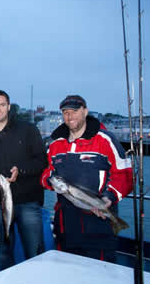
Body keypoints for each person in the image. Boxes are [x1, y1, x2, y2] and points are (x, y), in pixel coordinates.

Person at [40, 95, 133, 262]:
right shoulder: (55, 144)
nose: (70, 117)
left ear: (85, 111)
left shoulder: (105, 140)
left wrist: (108, 197)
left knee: (102, 274)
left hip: (99, 221)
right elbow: (45, 172)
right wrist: (50, 181)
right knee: (68, 272)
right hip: (66, 223)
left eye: (74, 111)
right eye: (66, 112)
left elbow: (124, 175)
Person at [0, 89, 47, 270]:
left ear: (9, 107)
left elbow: (42, 161)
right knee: (3, 254)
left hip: (28, 203)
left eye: (2, 105)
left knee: (35, 254)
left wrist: (22, 170)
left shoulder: (28, 130)